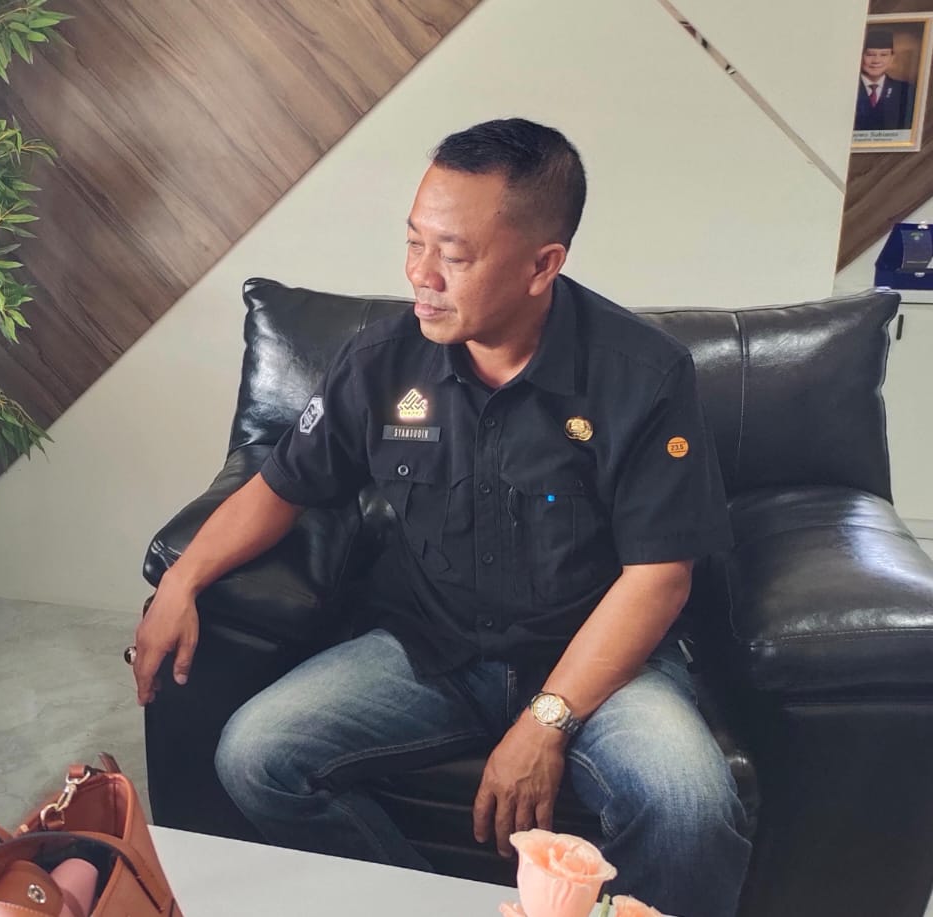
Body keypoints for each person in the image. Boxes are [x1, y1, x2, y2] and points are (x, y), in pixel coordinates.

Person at [131, 119, 750, 917]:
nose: (420, 274)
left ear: (542, 265)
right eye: (414, 241)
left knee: (690, 806)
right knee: (257, 754)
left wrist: (546, 721)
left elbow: (659, 577)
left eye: (453, 255)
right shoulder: (383, 360)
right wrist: (182, 579)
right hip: (434, 650)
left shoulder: (642, 374)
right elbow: (280, 483)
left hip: (601, 666)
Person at [856, 28, 916, 132]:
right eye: (870, 54)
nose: (876, 60)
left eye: (884, 55)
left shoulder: (905, 90)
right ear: (859, 56)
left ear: (892, 58)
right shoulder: (846, 88)